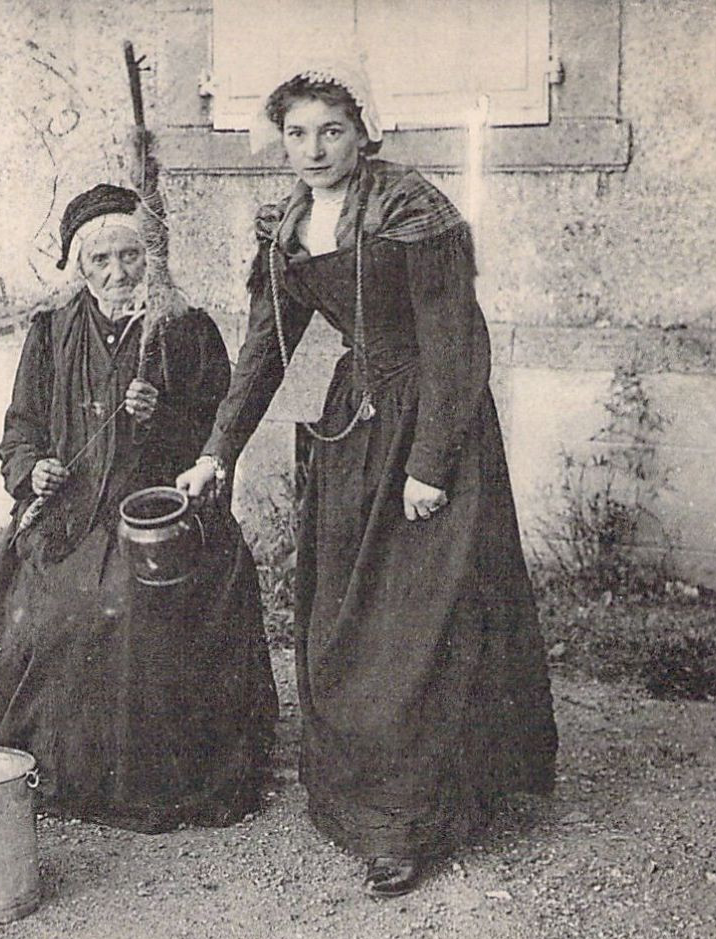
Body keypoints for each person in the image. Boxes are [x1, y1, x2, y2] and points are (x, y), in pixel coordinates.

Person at [176, 65, 558, 896]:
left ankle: (412, 821)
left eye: (331, 132)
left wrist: (431, 464)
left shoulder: (410, 211)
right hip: (357, 422)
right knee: (345, 613)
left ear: (364, 132)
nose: (313, 150)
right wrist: (217, 451)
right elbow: (263, 351)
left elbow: (457, 347)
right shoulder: (284, 228)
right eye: (297, 135)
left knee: (419, 621)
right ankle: (360, 799)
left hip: (432, 423)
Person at [0, 183, 278, 834]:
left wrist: (162, 417)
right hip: (71, 519)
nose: (116, 274)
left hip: (160, 513)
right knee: (63, 609)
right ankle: (69, 771)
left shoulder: (186, 327)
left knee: (136, 607)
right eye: (100, 261)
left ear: (150, 258)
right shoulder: (51, 330)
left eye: (129, 257)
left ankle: (146, 782)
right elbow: (19, 428)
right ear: (79, 267)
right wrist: (33, 470)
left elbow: (214, 439)